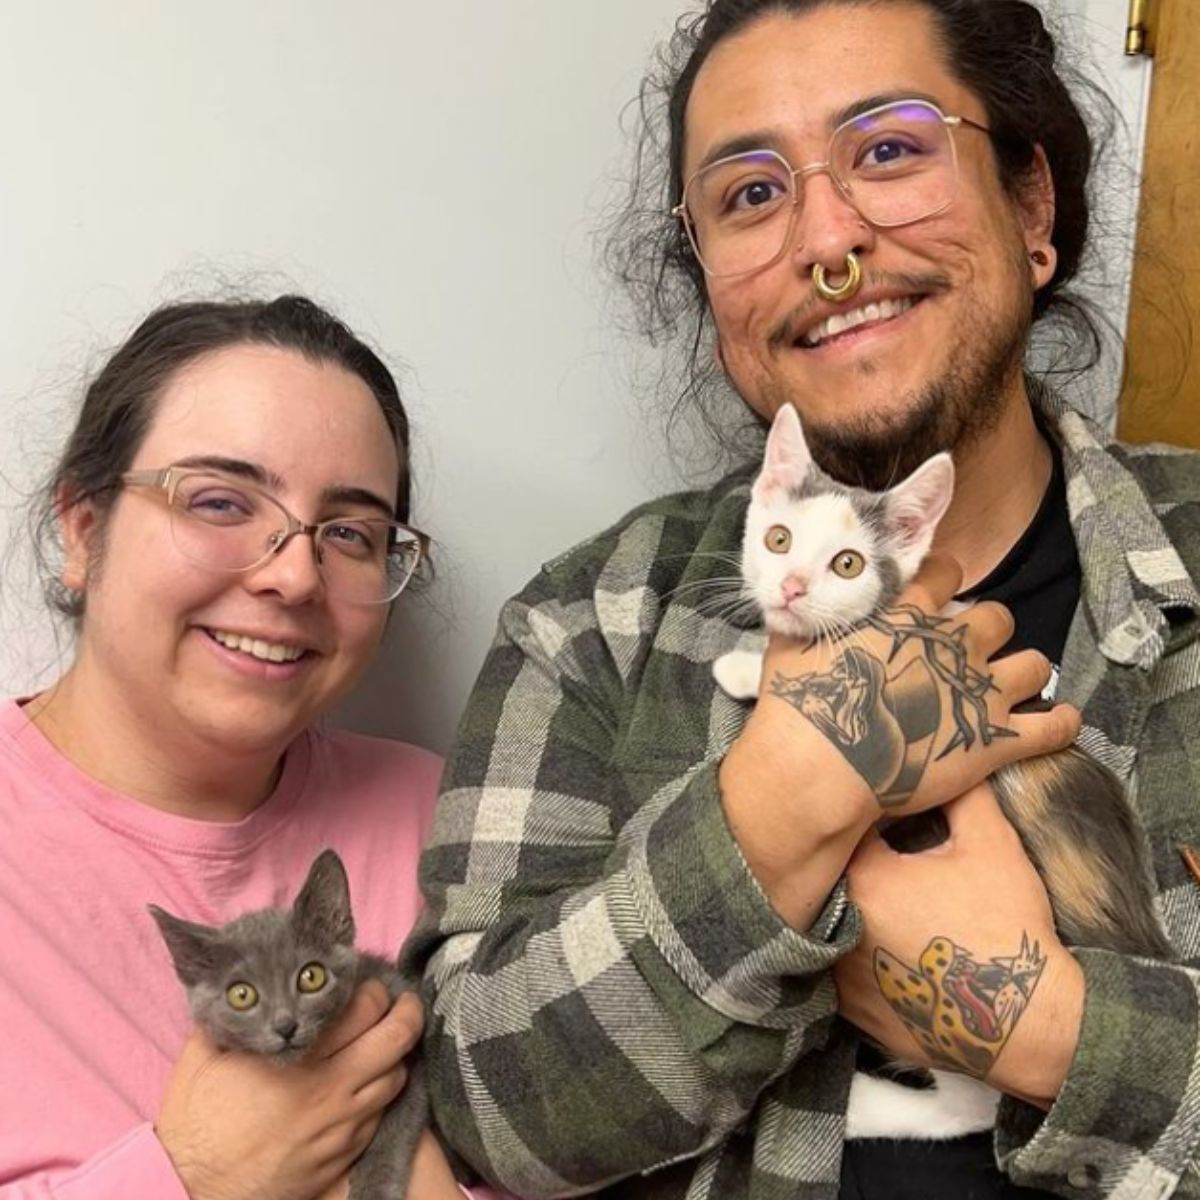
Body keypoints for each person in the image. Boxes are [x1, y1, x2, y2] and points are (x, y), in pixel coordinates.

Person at [412, 2, 1200, 1198]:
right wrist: (774, 815)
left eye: (889, 149)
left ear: (1032, 209)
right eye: (749, 195)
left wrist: (1053, 1028)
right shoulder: (589, 625)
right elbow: (486, 1111)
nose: (828, 241)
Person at [0, 296, 501, 1200]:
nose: (293, 573)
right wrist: (197, 1175)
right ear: (82, 528)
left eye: (349, 532)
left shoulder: (457, 819)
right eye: (221, 501)